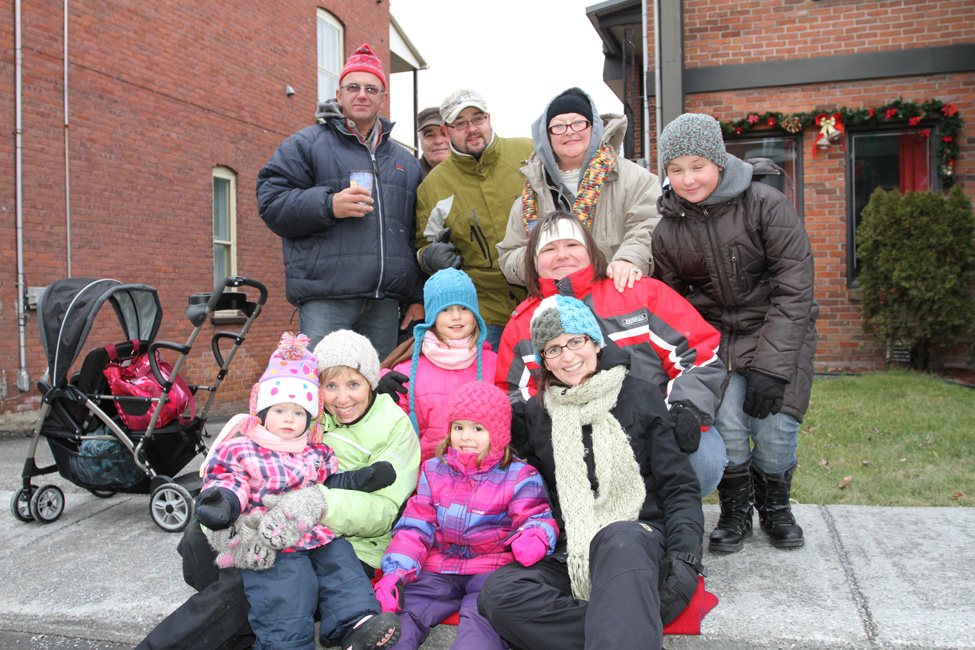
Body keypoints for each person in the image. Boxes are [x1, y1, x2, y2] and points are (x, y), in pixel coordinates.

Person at [135, 330, 421, 650]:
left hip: (345, 545)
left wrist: (318, 503)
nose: (342, 399)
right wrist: (226, 511)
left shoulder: (394, 425)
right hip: (275, 527)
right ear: (317, 389)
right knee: (201, 540)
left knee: (244, 590)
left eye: (354, 385)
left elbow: (384, 510)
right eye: (331, 386)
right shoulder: (306, 415)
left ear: (370, 381)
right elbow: (253, 465)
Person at [478, 296, 704, 650]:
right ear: (543, 362)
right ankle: (627, 621)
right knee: (498, 595)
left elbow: (679, 487)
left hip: (636, 538)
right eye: (553, 349)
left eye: (575, 341)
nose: (567, 357)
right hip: (573, 550)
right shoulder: (538, 414)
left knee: (618, 538)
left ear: (596, 342)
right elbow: (481, 431)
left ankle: (623, 620)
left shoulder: (641, 396)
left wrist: (685, 559)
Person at [652, 112, 818, 552]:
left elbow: (794, 288)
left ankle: (776, 506)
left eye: (697, 166)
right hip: (716, 341)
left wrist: (773, 366)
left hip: (777, 330)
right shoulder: (668, 228)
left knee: (775, 427)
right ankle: (736, 508)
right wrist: (696, 358)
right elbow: (674, 306)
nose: (688, 179)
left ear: (719, 162)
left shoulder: (765, 204)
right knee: (725, 421)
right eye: (675, 169)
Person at [495, 209, 728, 496]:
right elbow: (514, 395)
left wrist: (683, 410)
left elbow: (699, 354)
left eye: (572, 245)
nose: (561, 255)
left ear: (591, 250)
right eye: (549, 249)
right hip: (575, 442)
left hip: (652, 425)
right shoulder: (522, 325)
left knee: (704, 459)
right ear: (533, 261)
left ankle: (664, 509)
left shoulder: (638, 293)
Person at [257, 43, 424, 358]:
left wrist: (417, 297)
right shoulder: (305, 145)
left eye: (371, 88)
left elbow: (417, 234)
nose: (362, 94)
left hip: (386, 305)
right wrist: (329, 205)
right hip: (325, 299)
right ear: (339, 92)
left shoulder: (406, 162)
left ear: (382, 98)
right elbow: (271, 203)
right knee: (320, 389)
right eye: (354, 87)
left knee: (378, 393)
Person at [373, 380, 558, 650]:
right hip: (438, 567)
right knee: (401, 617)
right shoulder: (434, 470)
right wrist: (397, 571)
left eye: (478, 428)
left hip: (491, 570)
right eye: (458, 427)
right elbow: (415, 526)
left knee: (482, 626)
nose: (465, 437)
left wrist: (535, 536)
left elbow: (536, 515)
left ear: (498, 433)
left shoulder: (520, 475)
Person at [498, 87, 662, 292]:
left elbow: (649, 227)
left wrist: (628, 261)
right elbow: (508, 256)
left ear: (594, 129)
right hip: (555, 306)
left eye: (578, 123)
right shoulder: (530, 198)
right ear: (547, 137)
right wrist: (541, 258)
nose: (569, 131)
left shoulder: (637, 180)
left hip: (621, 299)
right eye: (558, 126)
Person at [415, 89, 533, 352]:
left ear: (489, 118)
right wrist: (429, 257)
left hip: (542, 296)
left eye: (478, 119)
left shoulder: (528, 152)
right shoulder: (433, 186)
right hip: (484, 310)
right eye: (460, 123)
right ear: (447, 131)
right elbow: (423, 245)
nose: (472, 129)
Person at [379, 268, 498, 464]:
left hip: (482, 474)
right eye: (446, 309)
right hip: (424, 477)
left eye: (464, 308)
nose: (456, 316)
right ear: (432, 316)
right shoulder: (408, 370)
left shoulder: (493, 363)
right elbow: (393, 430)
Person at [416, 106, 450, 176]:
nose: (438, 141)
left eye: (444, 134)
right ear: (420, 140)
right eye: (430, 135)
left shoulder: (473, 174)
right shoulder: (408, 177)